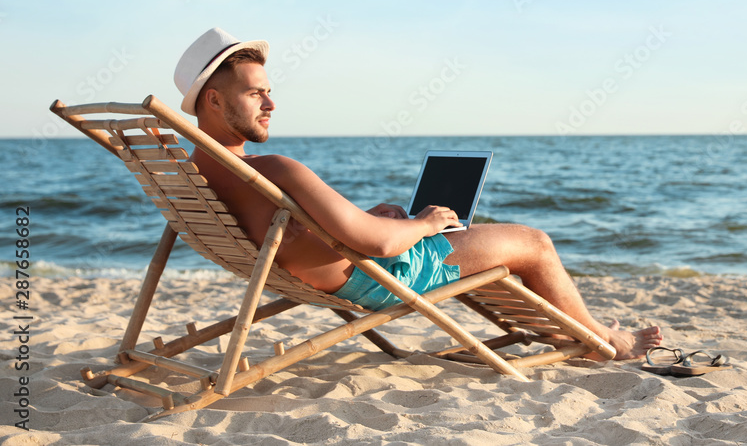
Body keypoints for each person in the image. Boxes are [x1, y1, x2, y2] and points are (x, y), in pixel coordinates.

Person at [174, 27, 662, 360]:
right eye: (256, 93)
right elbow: (381, 245)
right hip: (380, 275)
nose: (272, 104)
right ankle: (605, 340)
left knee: (419, 224)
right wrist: (425, 223)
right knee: (533, 242)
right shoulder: (273, 168)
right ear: (213, 100)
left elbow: (286, 228)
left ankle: (565, 328)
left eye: (268, 91)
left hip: (330, 267)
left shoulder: (195, 173)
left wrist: (365, 218)